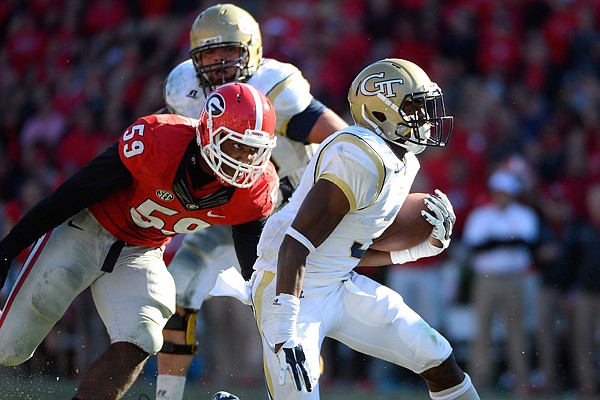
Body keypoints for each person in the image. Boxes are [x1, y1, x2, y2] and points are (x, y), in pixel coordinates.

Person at [214, 58, 480, 399]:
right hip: (289, 288)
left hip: (336, 284)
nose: (425, 118)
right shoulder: (358, 155)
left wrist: (423, 248)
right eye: (414, 107)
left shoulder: (401, 160)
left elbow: (351, 251)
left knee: (437, 357)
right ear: (380, 112)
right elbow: (295, 244)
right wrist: (284, 327)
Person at [0, 82, 279, 400]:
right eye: (234, 146)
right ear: (208, 133)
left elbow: (254, 267)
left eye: (252, 149)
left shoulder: (254, 191)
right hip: (85, 231)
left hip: (141, 251)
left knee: (143, 337)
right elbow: (75, 192)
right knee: (10, 348)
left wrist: (280, 318)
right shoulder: (159, 140)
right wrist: (9, 248)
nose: (244, 159)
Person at [155, 4, 348, 400]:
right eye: (210, 54)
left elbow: (340, 139)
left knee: (286, 315)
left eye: (229, 52)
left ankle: (301, 389)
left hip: (289, 215)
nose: (220, 63)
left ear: (252, 52)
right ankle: (167, 395)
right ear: (195, 59)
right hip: (232, 213)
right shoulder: (185, 91)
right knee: (178, 287)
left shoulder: (274, 85)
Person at [462, 169, 539, 396]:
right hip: (486, 279)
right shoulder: (481, 215)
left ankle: (521, 381)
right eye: (498, 192)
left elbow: (527, 243)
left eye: (505, 192)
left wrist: (495, 241)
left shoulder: (524, 214)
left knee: (516, 332)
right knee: (482, 331)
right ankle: (480, 380)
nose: (501, 196)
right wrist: (506, 242)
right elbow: (475, 246)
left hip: (513, 279)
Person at [564, 183, 600, 398]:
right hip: (585, 294)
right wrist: (570, 290)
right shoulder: (581, 228)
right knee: (582, 342)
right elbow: (571, 263)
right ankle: (587, 387)